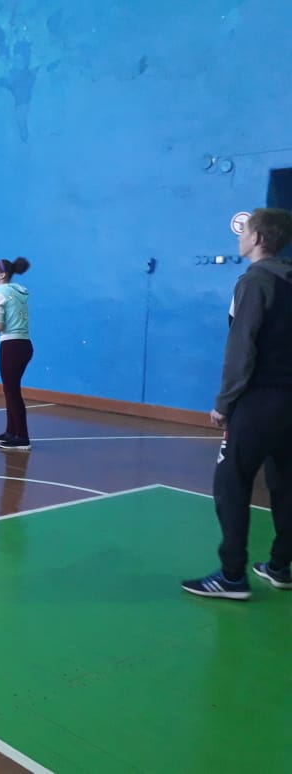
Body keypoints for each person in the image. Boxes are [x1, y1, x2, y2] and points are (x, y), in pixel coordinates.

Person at [182, 207, 292, 600]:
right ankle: (280, 566)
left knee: (231, 482)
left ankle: (232, 576)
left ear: (258, 238)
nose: (239, 237)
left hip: (260, 400)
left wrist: (224, 403)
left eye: (244, 231)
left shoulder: (255, 281)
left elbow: (241, 348)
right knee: (286, 484)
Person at [0, 257, 33, 450]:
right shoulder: (19, 292)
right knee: (10, 390)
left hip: (11, 346)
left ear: (2, 275)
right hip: (25, 345)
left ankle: (22, 438)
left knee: (12, 392)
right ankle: (11, 432)